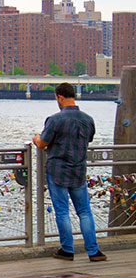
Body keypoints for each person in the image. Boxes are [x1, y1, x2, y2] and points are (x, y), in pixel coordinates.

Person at [32, 82, 107, 262]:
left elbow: (42, 143)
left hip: (57, 171)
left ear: (60, 97)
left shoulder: (55, 120)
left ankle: (67, 249)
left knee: (62, 211)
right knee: (84, 211)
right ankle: (93, 251)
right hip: (79, 170)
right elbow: (88, 139)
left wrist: (35, 138)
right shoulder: (88, 119)